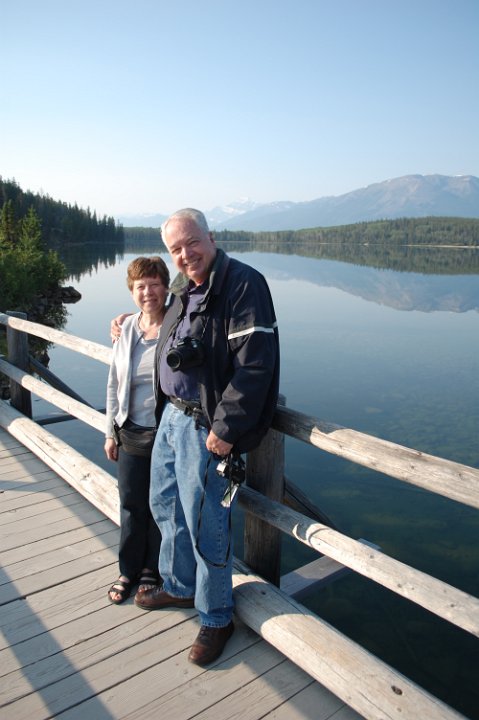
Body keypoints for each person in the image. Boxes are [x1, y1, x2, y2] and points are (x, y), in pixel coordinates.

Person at [131, 208, 280, 666]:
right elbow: (168, 331)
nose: (185, 254)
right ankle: (179, 586)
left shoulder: (243, 284)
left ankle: (217, 616)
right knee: (165, 505)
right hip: (172, 419)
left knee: (207, 525)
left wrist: (226, 428)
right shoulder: (184, 287)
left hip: (206, 427)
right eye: (175, 249)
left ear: (211, 237)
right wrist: (127, 320)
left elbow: (255, 366)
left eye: (191, 242)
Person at [105, 256, 170, 604]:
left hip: (165, 433)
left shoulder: (177, 325)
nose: (148, 292)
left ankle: (151, 568)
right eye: (140, 286)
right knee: (131, 503)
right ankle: (128, 569)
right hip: (129, 430)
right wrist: (109, 431)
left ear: (166, 287)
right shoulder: (126, 328)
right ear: (132, 291)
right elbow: (114, 382)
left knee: (160, 504)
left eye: (154, 284)